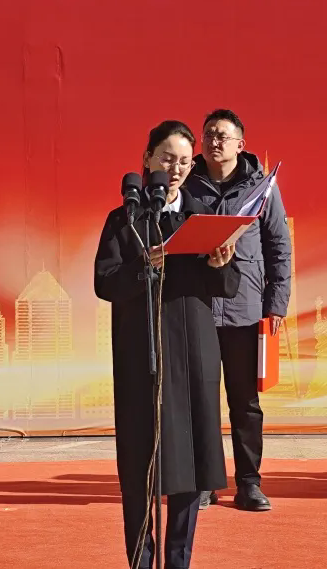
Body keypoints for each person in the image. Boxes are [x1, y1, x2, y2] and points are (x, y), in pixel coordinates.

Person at [94, 120, 241, 569]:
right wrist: (145, 265)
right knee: (141, 463)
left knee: (190, 464)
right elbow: (104, 282)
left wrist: (220, 262)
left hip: (194, 355)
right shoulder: (125, 219)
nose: (175, 168)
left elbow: (229, 287)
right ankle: (140, 561)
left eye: (183, 161)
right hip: (143, 356)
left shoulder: (203, 217)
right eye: (166, 158)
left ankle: (179, 560)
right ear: (147, 159)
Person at [185, 109, 291, 512]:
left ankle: (249, 482)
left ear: (240, 145)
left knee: (245, 402)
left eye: (223, 136)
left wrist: (276, 302)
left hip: (245, 308)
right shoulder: (187, 185)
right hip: (197, 307)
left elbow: (279, 246)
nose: (214, 141)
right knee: (200, 400)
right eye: (209, 135)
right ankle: (205, 482)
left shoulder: (261, 188)